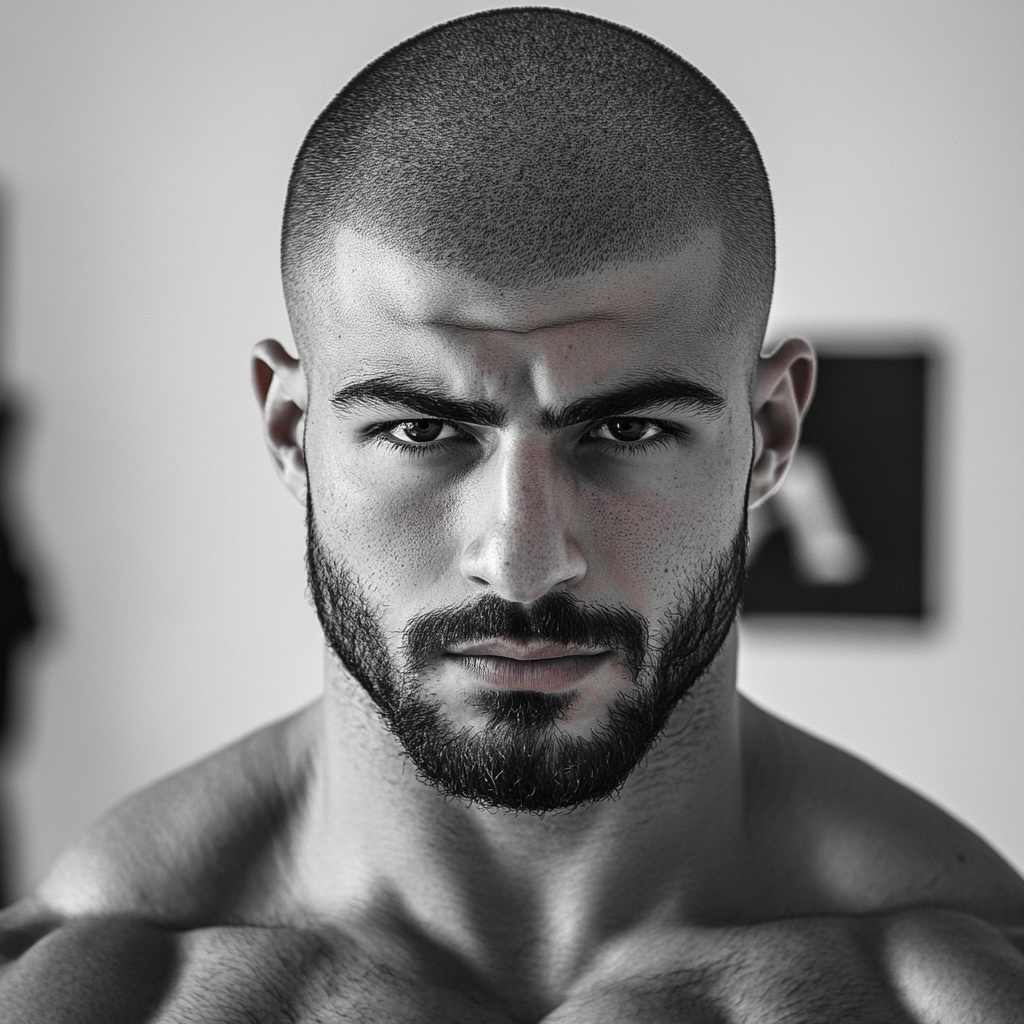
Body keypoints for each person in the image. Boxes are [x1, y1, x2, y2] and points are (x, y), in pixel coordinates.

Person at [1, 7, 1022, 1020]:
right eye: (421, 432)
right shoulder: (84, 992)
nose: (524, 562)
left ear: (772, 430)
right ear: (288, 431)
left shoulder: (956, 988)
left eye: (624, 433)